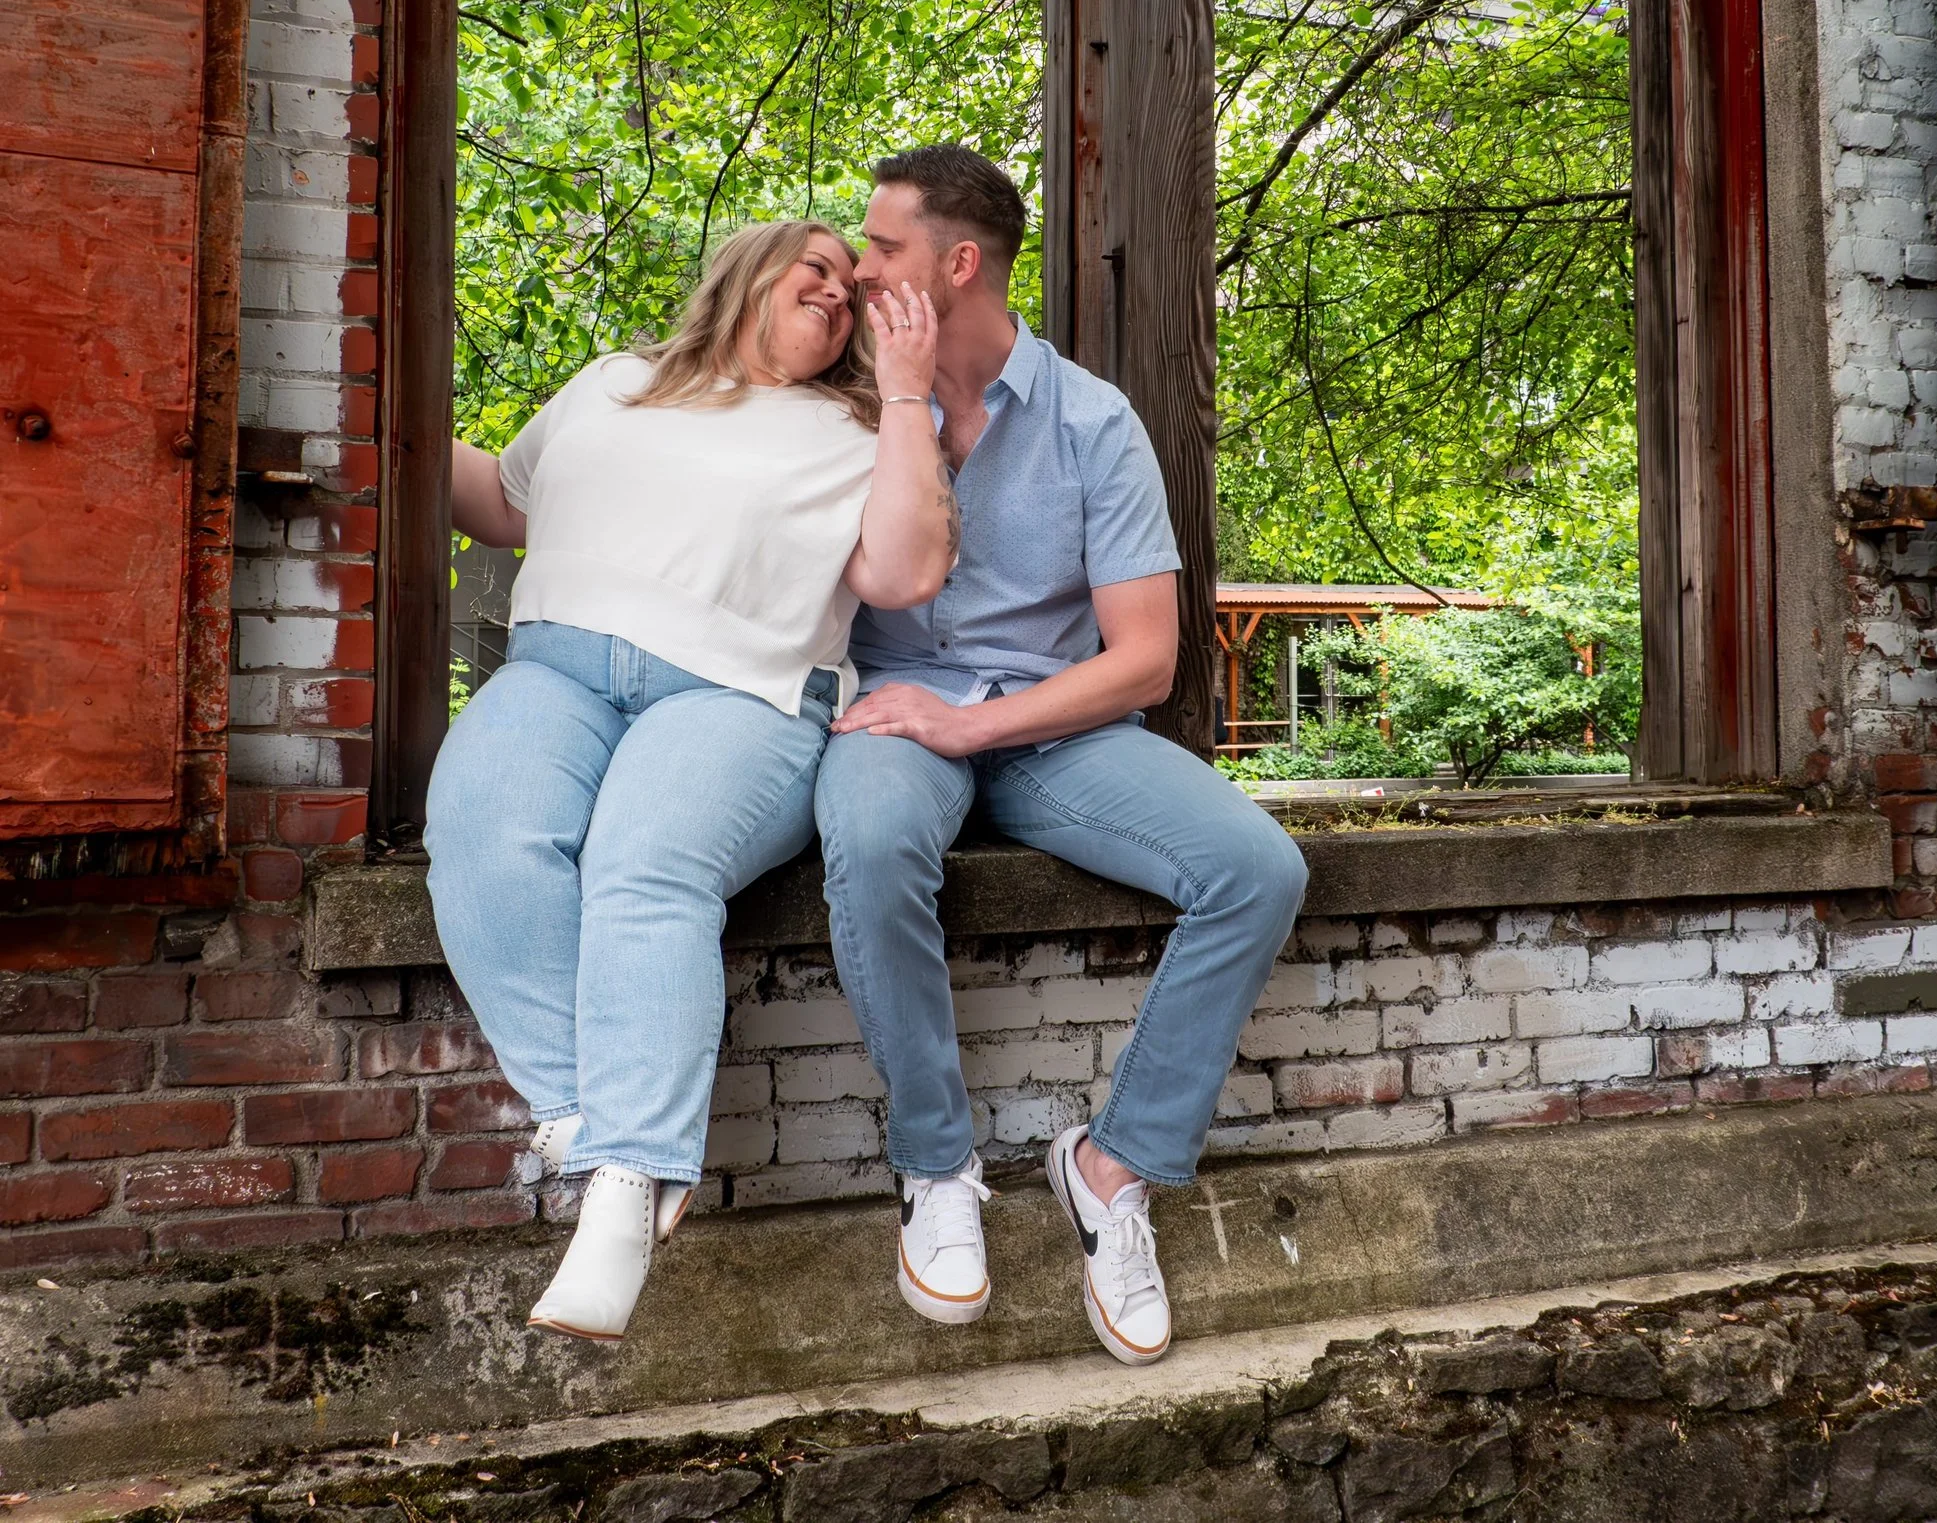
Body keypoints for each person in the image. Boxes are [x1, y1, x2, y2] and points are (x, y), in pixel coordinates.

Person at [816, 146, 1308, 1368]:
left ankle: (1112, 1168)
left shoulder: (1092, 420)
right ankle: (937, 1171)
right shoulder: (843, 395)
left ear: (957, 263)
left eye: (882, 247)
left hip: (1050, 727)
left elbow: (1144, 660)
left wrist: (974, 724)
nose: (860, 267)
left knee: (1257, 869)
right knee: (871, 842)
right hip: (889, 717)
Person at [428, 219, 953, 1342]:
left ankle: (626, 1185)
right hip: (560, 669)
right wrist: (386, 406)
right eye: (813, 265)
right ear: (745, 271)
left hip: (743, 694)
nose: (836, 291)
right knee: (477, 825)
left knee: (644, 861)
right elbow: (502, 507)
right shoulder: (615, 385)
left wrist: (905, 392)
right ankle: (588, 1120)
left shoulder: (857, 427)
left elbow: (906, 572)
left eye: (852, 292)